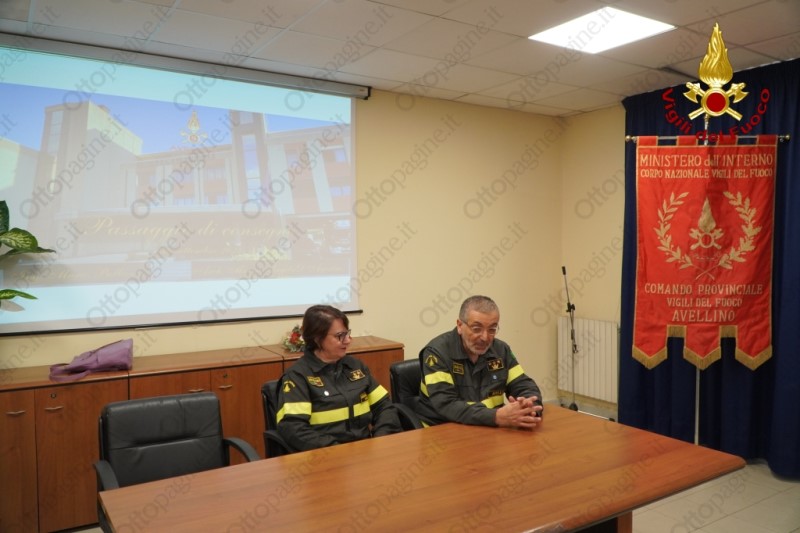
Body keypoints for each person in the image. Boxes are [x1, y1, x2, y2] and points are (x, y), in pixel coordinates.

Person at [276, 304, 402, 451]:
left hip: (365, 451)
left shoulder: (356, 366)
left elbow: (384, 407)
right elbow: (293, 428)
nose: (348, 340)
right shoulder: (298, 376)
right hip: (326, 455)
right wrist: (335, 450)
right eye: (340, 336)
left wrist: (381, 439)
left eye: (347, 334)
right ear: (317, 338)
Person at [415, 295, 544, 429]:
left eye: (492, 330)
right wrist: (496, 417)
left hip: (488, 428)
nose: (485, 337)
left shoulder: (501, 350)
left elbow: (523, 384)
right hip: (443, 429)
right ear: (460, 325)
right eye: (476, 329)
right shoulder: (437, 353)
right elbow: (447, 404)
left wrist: (529, 409)